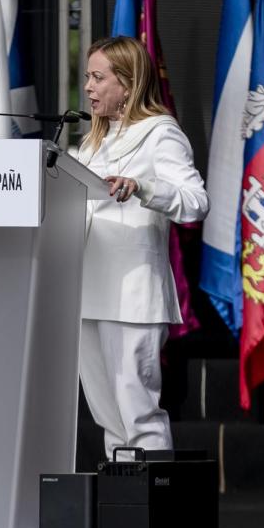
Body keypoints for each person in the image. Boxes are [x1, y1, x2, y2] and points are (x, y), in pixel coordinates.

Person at [76, 37, 208, 460]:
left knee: (137, 414)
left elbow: (195, 203)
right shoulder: (90, 143)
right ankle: (122, 517)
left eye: (99, 77)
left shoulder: (160, 134)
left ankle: (154, 517)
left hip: (132, 295)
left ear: (129, 85)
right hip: (86, 293)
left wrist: (143, 188)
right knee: (108, 418)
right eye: (86, 77)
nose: (89, 87)